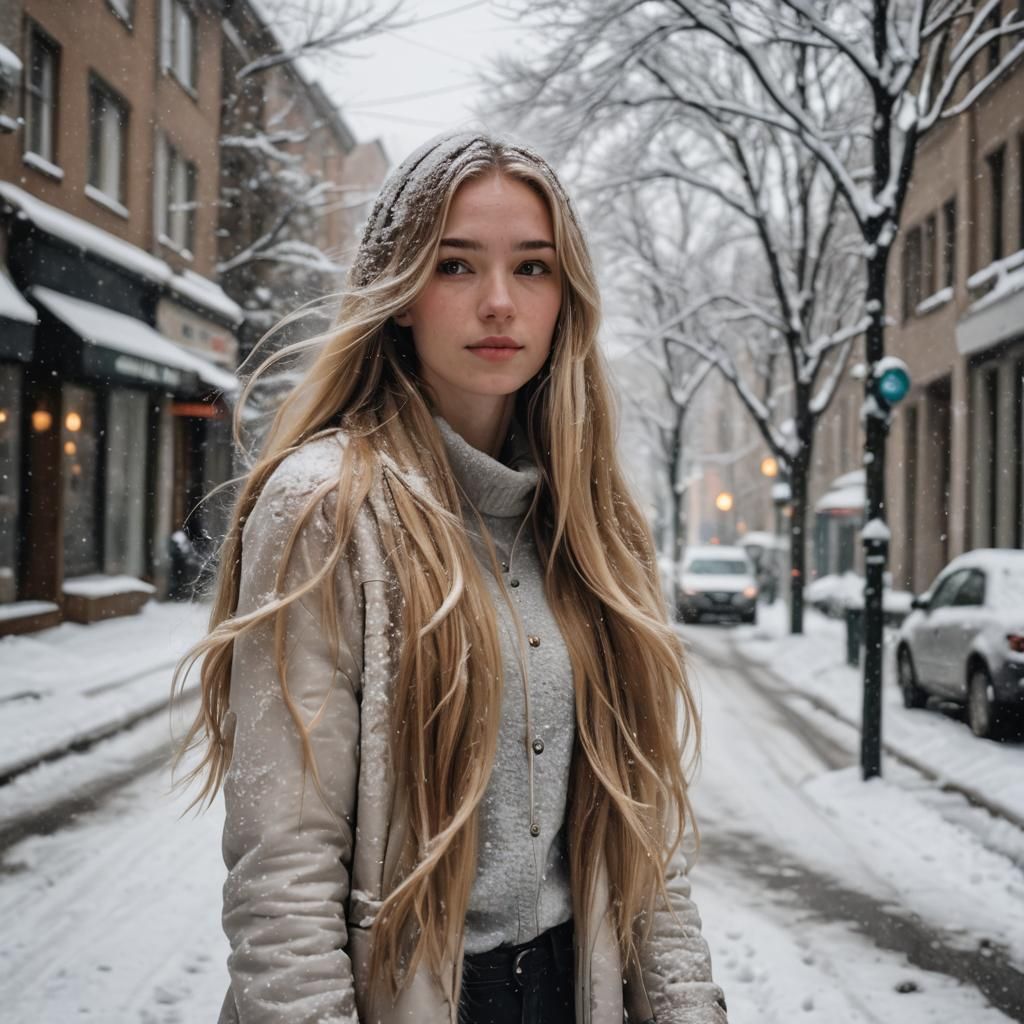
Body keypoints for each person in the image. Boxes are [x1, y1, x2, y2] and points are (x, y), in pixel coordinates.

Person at [172, 132, 727, 1024]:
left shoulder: (597, 525)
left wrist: (688, 1006)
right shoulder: (325, 510)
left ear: (565, 300)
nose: (500, 303)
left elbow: (646, 840)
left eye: (534, 269)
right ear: (399, 294)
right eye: (457, 265)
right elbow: (285, 872)